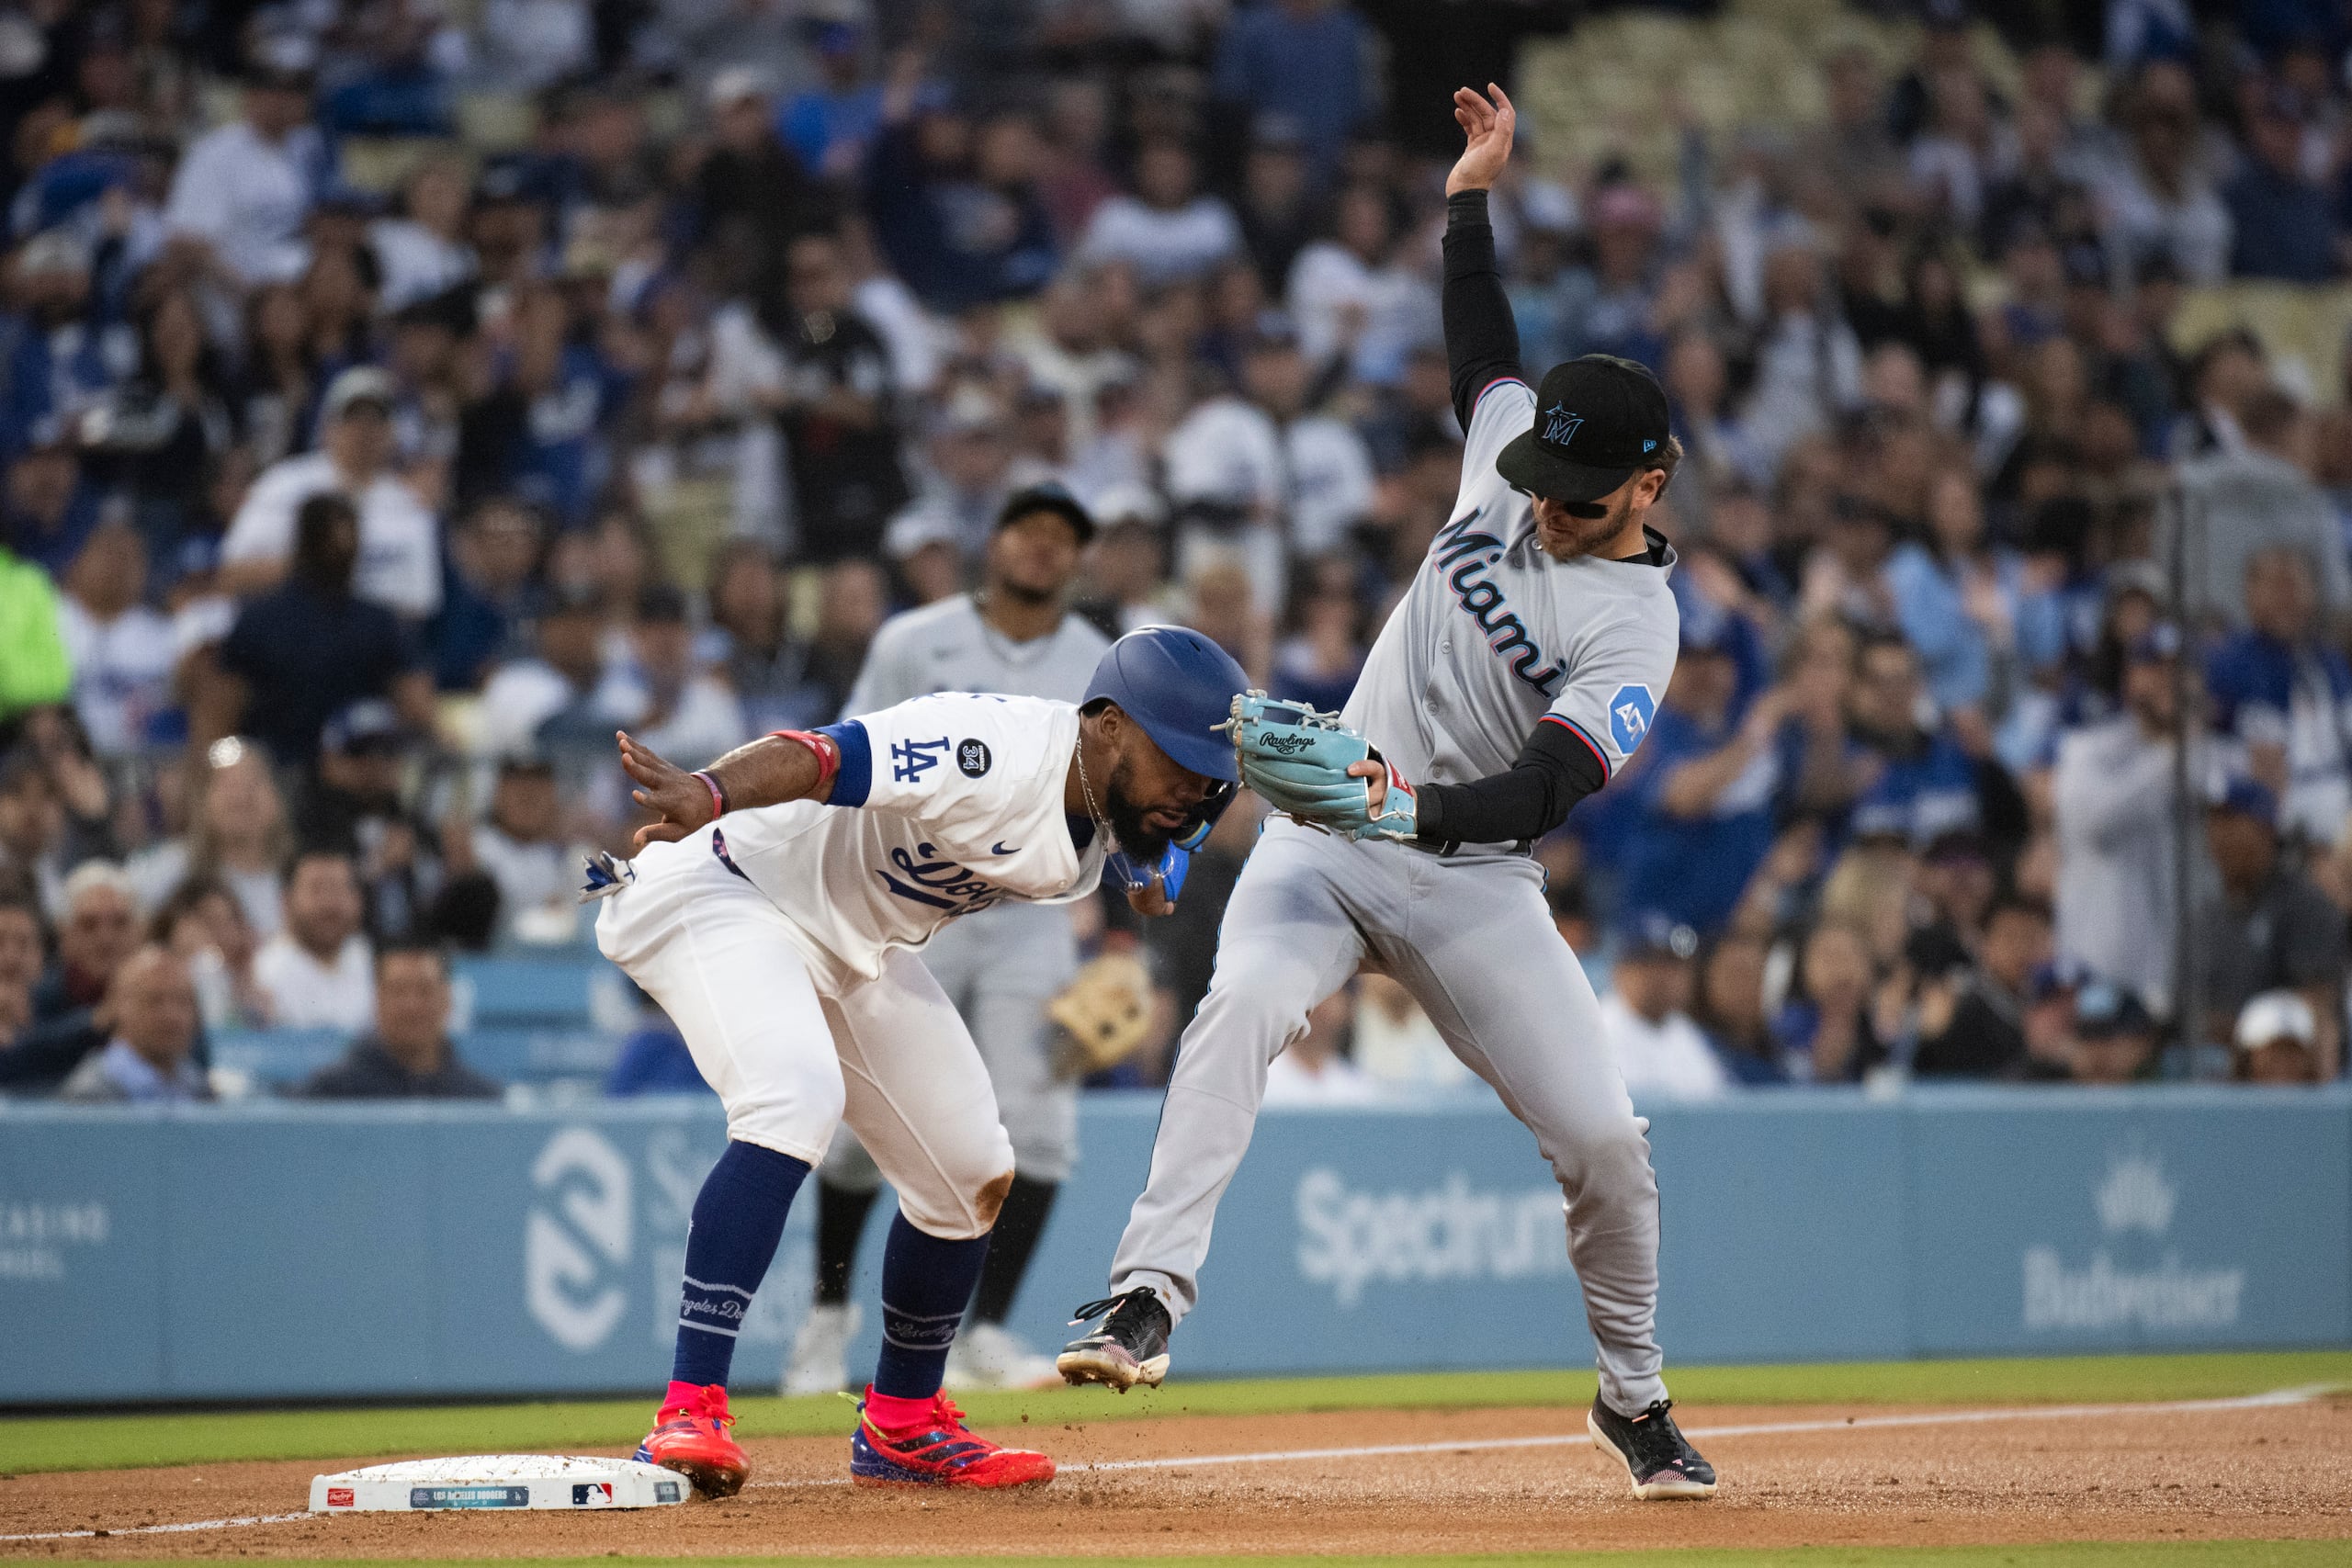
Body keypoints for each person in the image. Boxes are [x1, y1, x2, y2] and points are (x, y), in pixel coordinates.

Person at [1057, 86, 1716, 1504]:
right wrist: (1470, 197)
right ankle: (1143, 1295)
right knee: (1237, 1009)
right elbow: (1483, 341)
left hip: (1467, 868)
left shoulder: (1639, 629)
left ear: (1650, 483)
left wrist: (1411, 811)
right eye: (1542, 477)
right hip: (1326, 835)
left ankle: (1635, 1395)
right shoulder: (1515, 451)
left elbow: (1548, 784)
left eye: (1583, 494)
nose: (1546, 504)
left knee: (1606, 1141)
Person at [591, 625, 1248, 1496]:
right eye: (1179, 763)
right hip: (726, 890)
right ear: (1109, 725)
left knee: (970, 1167)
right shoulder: (990, 750)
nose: (1192, 791)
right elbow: (823, 754)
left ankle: (902, 1421)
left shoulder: (1115, 796)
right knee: (792, 1099)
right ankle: (690, 1404)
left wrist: (1155, 849)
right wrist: (711, 789)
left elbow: (1142, 822)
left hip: (855, 948)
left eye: (1209, 779)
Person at [786, 483, 1109, 1398]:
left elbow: (1118, 794)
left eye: (1061, 537)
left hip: (1027, 918)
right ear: (993, 541)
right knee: (857, 1136)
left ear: (1077, 560)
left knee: (1040, 1130)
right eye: (1028, 529)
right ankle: (823, 1323)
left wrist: (1118, 915)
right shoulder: (910, 641)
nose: (1043, 549)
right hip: (907, 904)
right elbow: (845, 754)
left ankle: (986, 1333)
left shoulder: (1100, 659)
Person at [216, 367, 444, 620]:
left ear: (392, 432)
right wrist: (316, 565)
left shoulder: (408, 504)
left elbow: (421, 602)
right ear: (329, 426)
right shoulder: (284, 484)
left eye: (376, 420)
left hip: (371, 642)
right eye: (354, 418)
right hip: (291, 631)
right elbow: (231, 575)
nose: (364, 430)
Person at [2196, 780, 2346, 1077]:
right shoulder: (2203, 916)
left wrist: (2238, 1031)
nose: (2219, 834)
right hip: (2209, 1074)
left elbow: (2315, 1009)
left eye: (2230, 820)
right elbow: (2184, 1012)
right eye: (2214, 821)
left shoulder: (2304, 904)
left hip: (2281, 1076)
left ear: (2264, 829)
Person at [300, 943, 501, 1099]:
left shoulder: (479, 1099)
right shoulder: (330, 1094)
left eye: (424, 991)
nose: (411, 1006)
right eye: (399, 991)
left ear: (447, 1000)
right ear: (377, 1000)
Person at [1599, 915, 1732, 1102]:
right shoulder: (1597, 1031)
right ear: (1621, 969)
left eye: (1674, 963)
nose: (1665, 975)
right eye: (1651, 962)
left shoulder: (1686, 1033)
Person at [57, 946, 209, 1103]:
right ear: (121, 1008)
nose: (171, 1016)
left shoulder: (198, 1087)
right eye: (154, 1000)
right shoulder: (91, 1095)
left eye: (182, 1001)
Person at [252, 850, 373, 1031]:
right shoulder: (263, 972)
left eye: (337, 889)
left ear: (357, 901)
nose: (328, 904)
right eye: (316, 890)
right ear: (286, 901)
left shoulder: (372, 961)